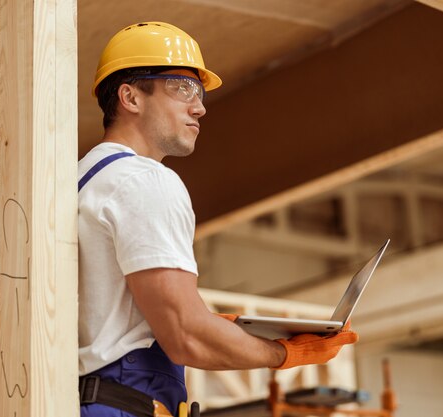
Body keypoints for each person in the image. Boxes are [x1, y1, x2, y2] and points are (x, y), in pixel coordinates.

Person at [78, 21, 358, 417]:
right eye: (181, 88)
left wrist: (220, 325)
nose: (200, 106)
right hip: (124, 404)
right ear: (130, 97)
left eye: (200, 91)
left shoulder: (83, 181)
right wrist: (285, 352)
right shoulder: (145, 179)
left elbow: (120, 313)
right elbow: (185, 335)